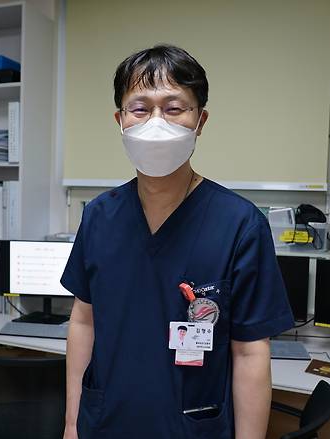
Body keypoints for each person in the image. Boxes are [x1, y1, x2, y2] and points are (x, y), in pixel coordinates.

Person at [61, 44, 294, 439]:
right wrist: (71, 423)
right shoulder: (100, 215)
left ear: (200, 121)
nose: (156, 122)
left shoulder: (240, 224)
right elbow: (84, 321)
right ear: (120, 120)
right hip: (105, 423)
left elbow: (250, 352)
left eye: (173, 108)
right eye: (140, 108)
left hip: (191, 427)